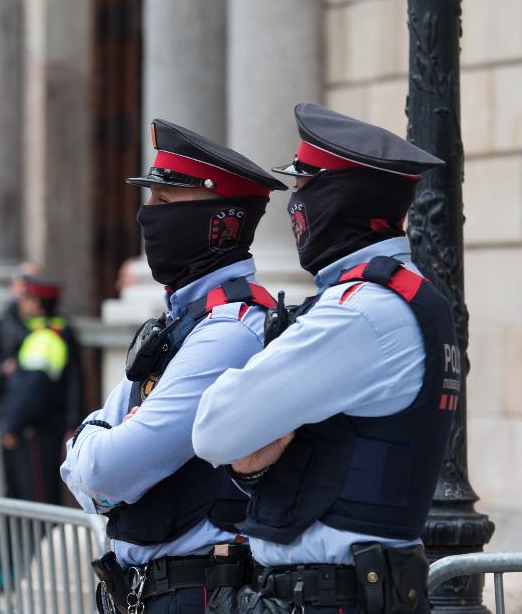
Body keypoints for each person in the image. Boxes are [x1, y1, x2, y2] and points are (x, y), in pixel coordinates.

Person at [192, 104, 457, 614]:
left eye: (303, 187)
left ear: (339, 198)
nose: (294, 206)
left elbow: (213, 428)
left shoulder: (360, 312)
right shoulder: (406, 297)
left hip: (331, 596)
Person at [61, 119, 287, 614]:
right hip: (150, 592)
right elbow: (85, 464)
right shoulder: (182, 322)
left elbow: (106, 468)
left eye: (166, 202)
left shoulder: (230, 331)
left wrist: (97, 460)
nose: (149, 216)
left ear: (219, 220)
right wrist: (96, 463)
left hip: (198, 593)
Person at [0, 263, 83, 502]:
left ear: (36, 303)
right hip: (25, 427)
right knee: (22, 497)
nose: (21, 302)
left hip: (31, 430)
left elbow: (31, 391)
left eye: (26, 297)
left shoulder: (45, 337)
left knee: (36, 500)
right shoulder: (40, 331)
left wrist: (11, 426)